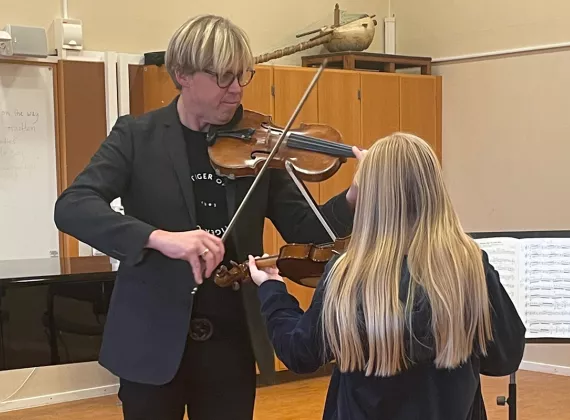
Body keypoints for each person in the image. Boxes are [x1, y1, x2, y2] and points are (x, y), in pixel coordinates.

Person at [53, 14, 364, 420]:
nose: (236, 90)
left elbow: (309, 230)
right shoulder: (136, 136)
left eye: (242, 75)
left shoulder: (262, 142)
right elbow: (72, 206)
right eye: (222, 77)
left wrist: (357, 194)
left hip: (231, 343)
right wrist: (159, 237)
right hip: (149, 341)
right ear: (182, 74)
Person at [247, 132, 527, 420]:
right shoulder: (469, 266)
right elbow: (504, 357)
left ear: (370, 197)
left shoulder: (347, 273)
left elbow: (301, 353)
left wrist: (272, 291)